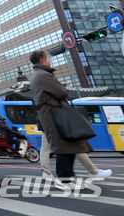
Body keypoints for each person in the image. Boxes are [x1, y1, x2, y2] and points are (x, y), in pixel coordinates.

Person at [29, 51, 94, 183]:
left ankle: (73, 176)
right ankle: (66, 179)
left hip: (52, 116)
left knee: (66, 148)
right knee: (64, 148)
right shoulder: (43, 75)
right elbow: (61, 92)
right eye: (48, 58)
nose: (50, 60)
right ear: (42, 60)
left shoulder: (38, 75)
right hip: (55, 116)